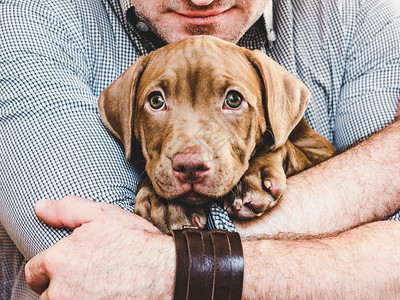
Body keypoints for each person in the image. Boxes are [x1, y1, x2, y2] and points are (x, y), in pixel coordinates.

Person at [1, 0, 399, 298]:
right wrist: (382, 172)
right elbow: (90, 264)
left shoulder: (362, 15)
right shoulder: (30, 19)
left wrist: (161, 265)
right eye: (157, 101)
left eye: (232, 100)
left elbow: (125, 265)